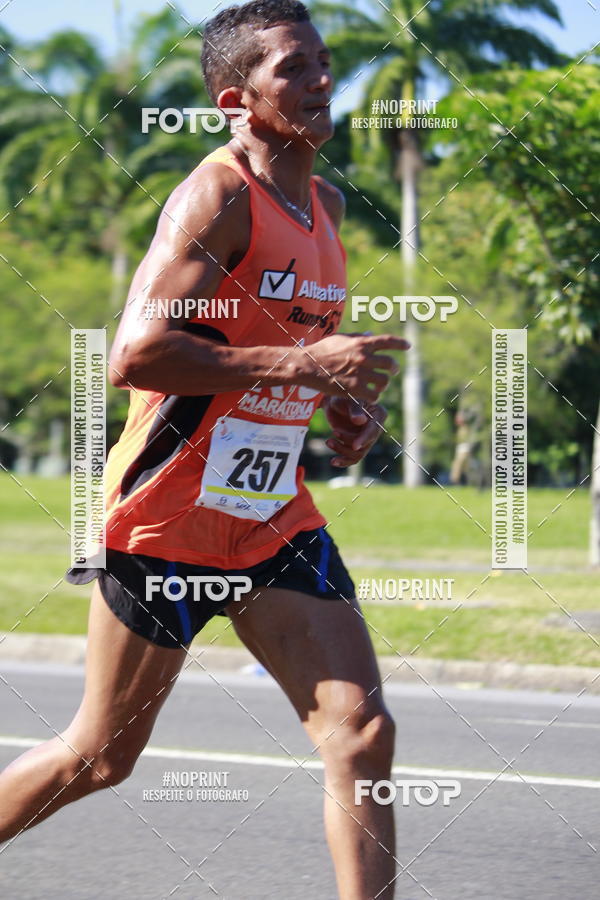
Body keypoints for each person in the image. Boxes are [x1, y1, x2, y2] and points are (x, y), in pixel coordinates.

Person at [0, 3, 409, 896]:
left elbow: (280, 355)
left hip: (271, 520)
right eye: (295, 69)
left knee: (364, 736)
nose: (322, 81)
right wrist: (306, 359)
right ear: (239, 98)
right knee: (98, 759)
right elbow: (137, 355)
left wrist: (338, 404)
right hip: (169, 521)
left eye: (325, 63)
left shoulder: (328, 208)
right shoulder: (217, 196)